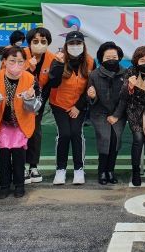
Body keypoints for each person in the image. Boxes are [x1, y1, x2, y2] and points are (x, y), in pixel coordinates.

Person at [0, 47, 41, 199]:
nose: (16, 65)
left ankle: (20, 185)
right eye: (12, 61)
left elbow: (36, 107)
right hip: (2, 124)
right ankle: (4, 185)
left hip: (21, 124)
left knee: (19, 156)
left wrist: (30, 99)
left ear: (25, 62)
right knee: (4, 155)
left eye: (20, 61)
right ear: (4, 61)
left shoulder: (31, 79)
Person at [47, 31, 95, 185]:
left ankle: (78, 169)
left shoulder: (90, 61)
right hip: (59, 104)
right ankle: (60, 169)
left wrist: (78, 106)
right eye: (71, 43)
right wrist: (59, 64)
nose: (75, 46)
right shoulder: (58, 59)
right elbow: (53, 83)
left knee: (76, 133)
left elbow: (90, 86)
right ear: (66, 45)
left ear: (83, 45)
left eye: (78, 43)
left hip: (78, 105)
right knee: (64, 134)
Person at [114, 46, 145, 187]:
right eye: (142, 60)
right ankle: (135, 171)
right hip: (133, 109)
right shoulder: (130, 71)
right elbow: (123, 96)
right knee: (138, 138)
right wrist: (129, 86)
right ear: (136, 61)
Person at [87, 41, 126, 185]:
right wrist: (92, 96)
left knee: (115, 139)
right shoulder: (94, 75)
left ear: (119, 57)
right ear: (101, 59)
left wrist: (116, 115)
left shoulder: (125, 73)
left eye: (114, 57)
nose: (111, 60)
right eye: (107, 58)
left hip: (119, 113)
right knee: (105, 139)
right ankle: (102, 171)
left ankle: (110, 170)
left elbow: (125, 98)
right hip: (100, 113)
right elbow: (90, 98)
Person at [23, 27, 55, 184]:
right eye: (35, 41)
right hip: (19, 101)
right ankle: (20, 165)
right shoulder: (20, 55)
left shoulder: (52, 58)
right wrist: (29, 69)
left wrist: (39, 104)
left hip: (38, 101)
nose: (39, 44)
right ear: (29, 43)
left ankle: (33, 166)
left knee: (35, 133)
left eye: (43, 41)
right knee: (21, 133)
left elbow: (49, 84)